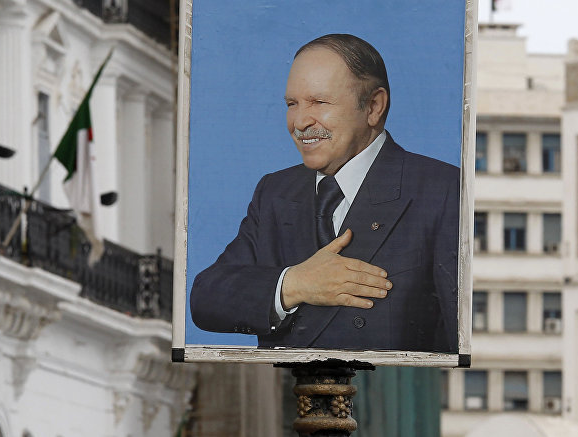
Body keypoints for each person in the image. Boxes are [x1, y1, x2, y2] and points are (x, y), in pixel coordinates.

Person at [190, 33, 460, 352]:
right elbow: (205, 299)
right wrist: (295, 283)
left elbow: (461, 338)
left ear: (374, 106)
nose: (300, 121)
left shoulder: (442, 191)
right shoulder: (275, 193)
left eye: (319, 102)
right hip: (291, 395)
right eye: (292, 104)